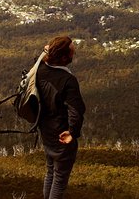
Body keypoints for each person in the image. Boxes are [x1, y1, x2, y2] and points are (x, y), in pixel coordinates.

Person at [36, 36, 86, 199]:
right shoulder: (68, 80)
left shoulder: (40, 69)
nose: (74, 54)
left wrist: (46, 52)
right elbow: (76, 110)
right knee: (59, 179)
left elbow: (37, 59)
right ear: (64, 58)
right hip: (61, 133)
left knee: (51, 171)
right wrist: (72, 132)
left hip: (46, 130)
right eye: (72, 52)